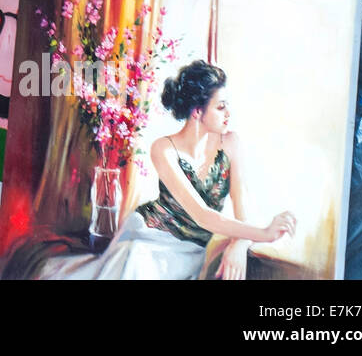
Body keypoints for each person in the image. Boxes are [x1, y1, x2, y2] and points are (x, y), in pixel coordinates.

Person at [40, 60, 297, 279]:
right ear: (197, 112)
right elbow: (202, 215)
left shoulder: (231, 143)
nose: (228, 113)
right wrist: (264, 234)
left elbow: (244, 209)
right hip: (146, 234)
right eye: (220, 107)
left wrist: (240, 244)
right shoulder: (163, 148)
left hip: (189, 249)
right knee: (135, 261)